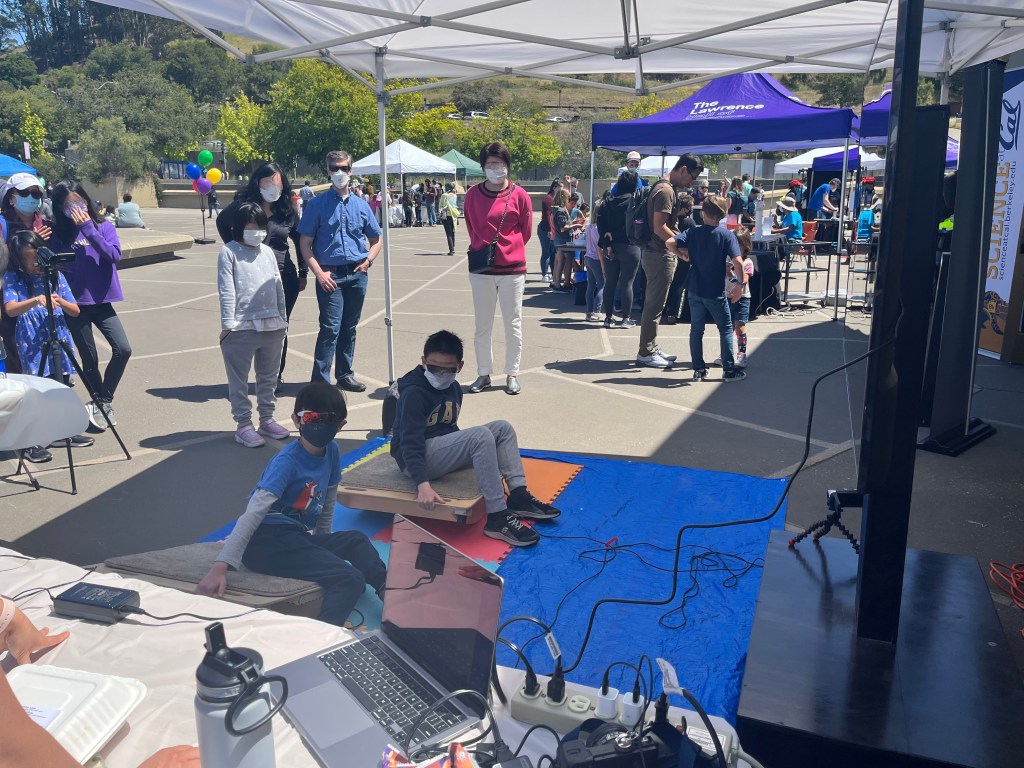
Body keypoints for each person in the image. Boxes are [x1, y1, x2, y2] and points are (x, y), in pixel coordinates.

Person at [198, 381, 386, 625]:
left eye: (328, 420)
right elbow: (254, 512)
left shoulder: (332, 452)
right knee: (349, 578)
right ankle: (320, 640)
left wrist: (322, 545)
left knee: (357, 540)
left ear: (341, 425)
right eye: (312, 417)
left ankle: (391, 594)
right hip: (265, 543)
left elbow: (327, 503)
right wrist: (220, 566)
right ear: (297, 421)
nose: (319, 425)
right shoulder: (286, 462)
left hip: (294, 538)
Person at [390, 330, 559, 547]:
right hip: (415, 459)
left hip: (437, 451)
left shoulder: (453, 388)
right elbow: (409, 442)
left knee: (502, 428)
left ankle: (518, 494)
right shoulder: (413, 392)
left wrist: (464, 450)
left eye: (447, 369)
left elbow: (449, 427)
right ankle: (497, 516)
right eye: (433, 367)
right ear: (423, 362)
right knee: (480, 436)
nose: (440, 373)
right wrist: (422, 484)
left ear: (459, 367)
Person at [3, 231, 94, 462]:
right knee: (34, 391)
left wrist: (57, 299)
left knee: (58, 385)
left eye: (37, 259)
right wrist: (35, 299)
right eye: (28, 260)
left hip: (56, 334)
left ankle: (62, 431)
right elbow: (11, 308)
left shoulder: (55, 277)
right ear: (18, 259)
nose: (35, 265)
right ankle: (32, 441)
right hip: (30, 341)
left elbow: (75, 310)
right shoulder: (13, 277)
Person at [216, 163, 307, 393]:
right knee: (250, 327)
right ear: (258, 183)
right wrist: (236, 246)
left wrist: (303, 272)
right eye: (267, 182)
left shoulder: (287, 210)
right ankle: (246, 376)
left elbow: (299, 241)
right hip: (250, 276)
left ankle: (274, 376)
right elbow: (222, 222)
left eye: (276, 183)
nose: (272, 187)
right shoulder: (244, 207)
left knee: (279, 328)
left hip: (283, 277)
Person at [50, 181, 132, 431]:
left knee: (123, 349)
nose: (75, 207)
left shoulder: (103, 226)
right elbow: (52, 266)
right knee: (90, 358)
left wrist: (87, 228)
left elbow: (114, 255)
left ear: (86, 200)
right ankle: (102, 404)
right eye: (68, 204)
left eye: (78, 201)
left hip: (101, 300)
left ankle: (103, 399)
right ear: (60, 208)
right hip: (75, 305)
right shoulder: (58, 235)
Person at [298, 149, 382, 393]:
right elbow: (305, 243)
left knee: (349, 326)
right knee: (330, 328)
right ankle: (320, 382)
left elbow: (376, 239)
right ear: (328, 171)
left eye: (344, 168)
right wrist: (319, 273)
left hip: (357, 274)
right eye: (334, 168)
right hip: (329, 274)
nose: (339, 173)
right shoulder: (317, 205)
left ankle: (345, 374)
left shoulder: (361, 205)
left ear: (351, 171)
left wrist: (368, 262)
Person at [463, 141, 533, 396]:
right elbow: (472, 227)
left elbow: (525, 232)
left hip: (512, 270)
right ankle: (484, 373)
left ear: (507, 166)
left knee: (513, 323)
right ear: (483, 166)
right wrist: (485, 249)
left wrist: (508, 249)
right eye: (490, 164)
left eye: (500, 164)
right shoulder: (472, 194)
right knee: (482, 325)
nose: (495, 168)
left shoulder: (520, 195)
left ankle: (512, 373)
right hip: (482, 270)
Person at [217, 201, 289, 448]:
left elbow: (277, 285)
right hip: (241, 327)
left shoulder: (267, 252)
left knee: (268, 378)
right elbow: (226, 290)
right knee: (239, 381)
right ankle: (243, 425)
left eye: (260, 226)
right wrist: (228, 325)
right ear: (239, 228)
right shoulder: (229, 252)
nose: (256, 232)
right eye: (250, 227)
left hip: (273, 325)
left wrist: (283, 318)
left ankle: (267, 418)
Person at [666, 194, 746, 382]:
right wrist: (741, 285)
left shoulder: (693, 232)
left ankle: (698, 369)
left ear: (702, 214)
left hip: (694, 288)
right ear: (723, 214)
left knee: (696, 330)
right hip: (714, 290)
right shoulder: (726, 235)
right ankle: (728, 369)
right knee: (725, 328)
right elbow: (739, 262)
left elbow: (669, 242)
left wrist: (681, 255)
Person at [636, 153, 703, 369]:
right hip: (658, 254)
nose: (691, 183)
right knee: (655, 305)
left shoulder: (664, 187)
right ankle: (646, 352)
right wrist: (678, 247)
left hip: (656, 252)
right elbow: (660, 227)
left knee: (656, 304)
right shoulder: (665, 191)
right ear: (683, 169)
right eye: (692, 177)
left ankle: (651, 347)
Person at [596, 170, 642, 329]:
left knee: (610, 282)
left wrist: (606, 241)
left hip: (611, 245)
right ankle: (626, 318)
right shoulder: (635, 202)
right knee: (627, 283)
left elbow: (600, 225)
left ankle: (608, 318)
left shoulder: (608, 202)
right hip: (630, 245)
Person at [719, 227, 754, 369]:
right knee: (726, 327)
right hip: (726, 296)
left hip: (742, 298)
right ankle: (726, 355)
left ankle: (742, 354)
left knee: (739, 326)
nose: (735, 248)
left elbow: (743, 281)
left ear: (745, 246)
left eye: (738, 245)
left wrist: (732, 273)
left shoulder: (747, 262)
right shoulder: (727, 259)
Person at [661, 194, 696, 325]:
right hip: (684, 256)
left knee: (667, 283)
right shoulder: (689, 223)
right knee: (679, 285)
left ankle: (664, 309)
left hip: (668, 253)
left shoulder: (670, 221)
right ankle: (673, 312)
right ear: (686, 208)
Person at [583, 200, 606, 322]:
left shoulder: (589, 227)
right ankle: (597, 311)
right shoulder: (598, 229)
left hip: (588, 257)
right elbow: (599, 249)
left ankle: (589, 311)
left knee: (590, 286)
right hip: (596, 259)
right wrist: (603, 264)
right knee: (602, 284)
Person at [537, 179, 561, 282]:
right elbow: (547, 216)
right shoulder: (548, 199)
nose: (562, 190)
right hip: (545, 229)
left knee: (552, 253)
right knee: (546, 252)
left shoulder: (556, 199)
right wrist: (550, 230)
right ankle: (544, 274)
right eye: (561, 187)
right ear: (555, 187)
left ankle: (552, 273)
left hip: (552, 229)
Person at [439, 181, 458, 256]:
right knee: (452, 233)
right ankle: (453, 247)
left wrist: (440, 214)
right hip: (453, 215)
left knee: (448, 234)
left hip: (446, 215)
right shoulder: (454, 195)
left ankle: (451, 249)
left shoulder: (444, 195)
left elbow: (441, 205)